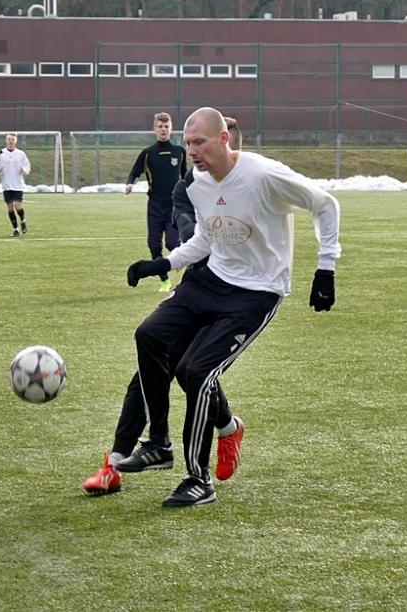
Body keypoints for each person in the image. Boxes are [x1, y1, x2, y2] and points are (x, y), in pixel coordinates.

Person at [84, 107, 340, 507]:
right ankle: (158, 443)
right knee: (149, 335)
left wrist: (326, 268)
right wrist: (164, 264)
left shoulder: (263, 174)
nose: (191, 150)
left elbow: (326, 204)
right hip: (211, 279)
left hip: (256, 291)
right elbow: (206, 237)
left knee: (195, 372)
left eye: (198, 142)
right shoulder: (198, 184)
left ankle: (198, 479)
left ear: (223, 139)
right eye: (187, 143)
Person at [125, 112, 187, 293]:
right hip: (154, 206)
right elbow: (135, 171)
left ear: (171, 129)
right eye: (160, 126)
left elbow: (185, 176)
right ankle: (165, 281)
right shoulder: (147, 154)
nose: (163, 130)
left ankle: (184, 262)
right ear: (155, 129)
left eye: (166, 126)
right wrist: (130, 183)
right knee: (154, 245)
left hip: (174, 206)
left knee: (172, 244)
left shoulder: (179, 152)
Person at [173, 116, 242, 247]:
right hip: (204, 266)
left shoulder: (257, 181)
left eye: (232, 155)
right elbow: (188, 233)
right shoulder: (187, 187)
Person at [0, 133, 31, 237]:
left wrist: (24, 170)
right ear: (6, 140)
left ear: (16, 141)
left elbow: (27, 168)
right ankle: (15, 229)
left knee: (18, 207)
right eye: (9, 139)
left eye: (12, 139)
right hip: (6, 185)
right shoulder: (0, 153)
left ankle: (22, 220)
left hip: (18, 185)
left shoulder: (21, 154)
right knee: (10, 208)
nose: (10, 141)